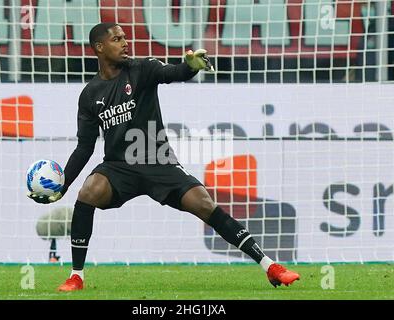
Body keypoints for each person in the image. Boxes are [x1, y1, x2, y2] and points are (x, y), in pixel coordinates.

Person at [27, 22, 300, 291]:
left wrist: (192, 66)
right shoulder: (89, 95)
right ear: (100, 47)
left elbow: (176, 72)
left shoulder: (142, 69)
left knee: (204, 204)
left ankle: (270, 266)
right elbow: (85, 147)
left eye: (125, 37)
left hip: (159, 161)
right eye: (117, 39)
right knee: (88, 191)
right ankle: (76, 277)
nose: (125, 43)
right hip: (119, 167)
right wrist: (63, 185)